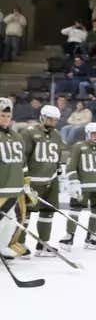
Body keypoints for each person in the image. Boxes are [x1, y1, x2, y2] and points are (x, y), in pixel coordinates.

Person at [14, 105, 64, 257]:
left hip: (50, 179)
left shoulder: (56, 134)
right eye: (50, 118)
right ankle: (19, 243)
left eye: (55, 120)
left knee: (48, 212)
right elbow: (21, 157)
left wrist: (58, 168)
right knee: (25, 213)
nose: (52, 122)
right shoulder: (28, 133)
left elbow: (58, 153)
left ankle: (43, 244)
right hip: (32, 181)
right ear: (42, 117)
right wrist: (24, 179)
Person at [60, 122, 96, 250]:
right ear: (87, 134)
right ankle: (69, 236)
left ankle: (91, 237)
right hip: (82, 186)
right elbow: (70, 166)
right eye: (94, 134)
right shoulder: (78, 147)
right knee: (75, 210)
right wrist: (74, 182)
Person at [0, 97, 30, 259]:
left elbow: (22, 163)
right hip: (1, 186)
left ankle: (3, 247)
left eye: (7, 116)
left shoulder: (17, 137)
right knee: (1, 220)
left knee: (11, 221)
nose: (5, 119)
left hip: (15, 187)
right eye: (2, 115)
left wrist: (26, 183)